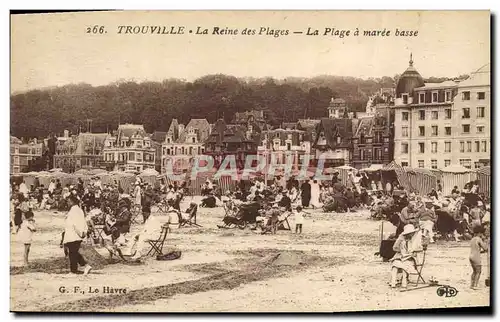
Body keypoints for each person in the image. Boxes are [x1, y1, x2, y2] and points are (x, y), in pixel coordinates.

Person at [63, 195, 92, 275]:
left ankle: (74, 270)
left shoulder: (74, 211)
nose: (67, 203)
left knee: (73, 253)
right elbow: (83, 221)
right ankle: (85, 266)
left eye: (68, 201)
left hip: (74, 234)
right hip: (74, 234)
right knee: (74, 252)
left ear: (72, 202)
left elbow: (76, 224)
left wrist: (81, 233)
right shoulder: (78, 210)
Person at [390, 224, 423, 288]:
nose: (411, 235)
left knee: (405, 264)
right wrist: (401, 250)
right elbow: (394, 248)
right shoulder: (401, 238)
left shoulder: (416, 239)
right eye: (409, 233)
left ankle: (404, 281)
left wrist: (413, 251)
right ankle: (393, 282)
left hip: (410, 257)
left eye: (411, 233)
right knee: (395, 264)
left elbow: (420, 248)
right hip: (401, 256)